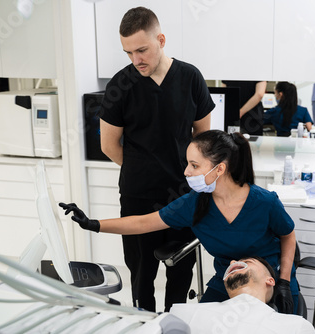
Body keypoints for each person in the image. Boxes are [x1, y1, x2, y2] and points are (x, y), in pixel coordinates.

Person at [60, 130, 298, 314]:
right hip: (228, 279)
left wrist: (284, 282)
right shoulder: (194, 204)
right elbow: (144, 223)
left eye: (194, 165)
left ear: (220, 169)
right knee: (199, 324)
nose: (186, 172)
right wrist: (93, 224)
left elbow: (288, 236)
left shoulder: (264, 202)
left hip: (269, 279)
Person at [98, 7, 215, 312]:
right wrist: (143, 169)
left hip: (184, 196)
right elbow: (109, 145)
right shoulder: (120, 86)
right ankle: (142, 325)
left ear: (161, 40)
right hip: (138, 199)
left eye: (142, 50)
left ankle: (173, 325)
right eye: (129, 53)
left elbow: (204, 139)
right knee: (141, 274)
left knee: (180, 274)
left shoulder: (190, 77)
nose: (136, 60)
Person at [170, 256, 315, 334]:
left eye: (247, 262)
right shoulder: (187, 314)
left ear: (270, 280)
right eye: (233, 262)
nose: (233, 262)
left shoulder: (295, 326)